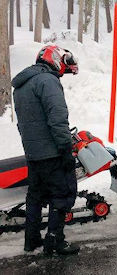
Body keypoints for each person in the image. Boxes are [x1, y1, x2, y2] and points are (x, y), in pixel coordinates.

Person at [12, 45, 80, 255]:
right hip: (52, 152)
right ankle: (55, 241)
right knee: (62, 194)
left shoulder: (22, 85)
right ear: (55, 59)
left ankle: (31, 240)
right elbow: (57, 120)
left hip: (33, 153)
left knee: (35, 196)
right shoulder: (48, 81)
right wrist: (66, 150)